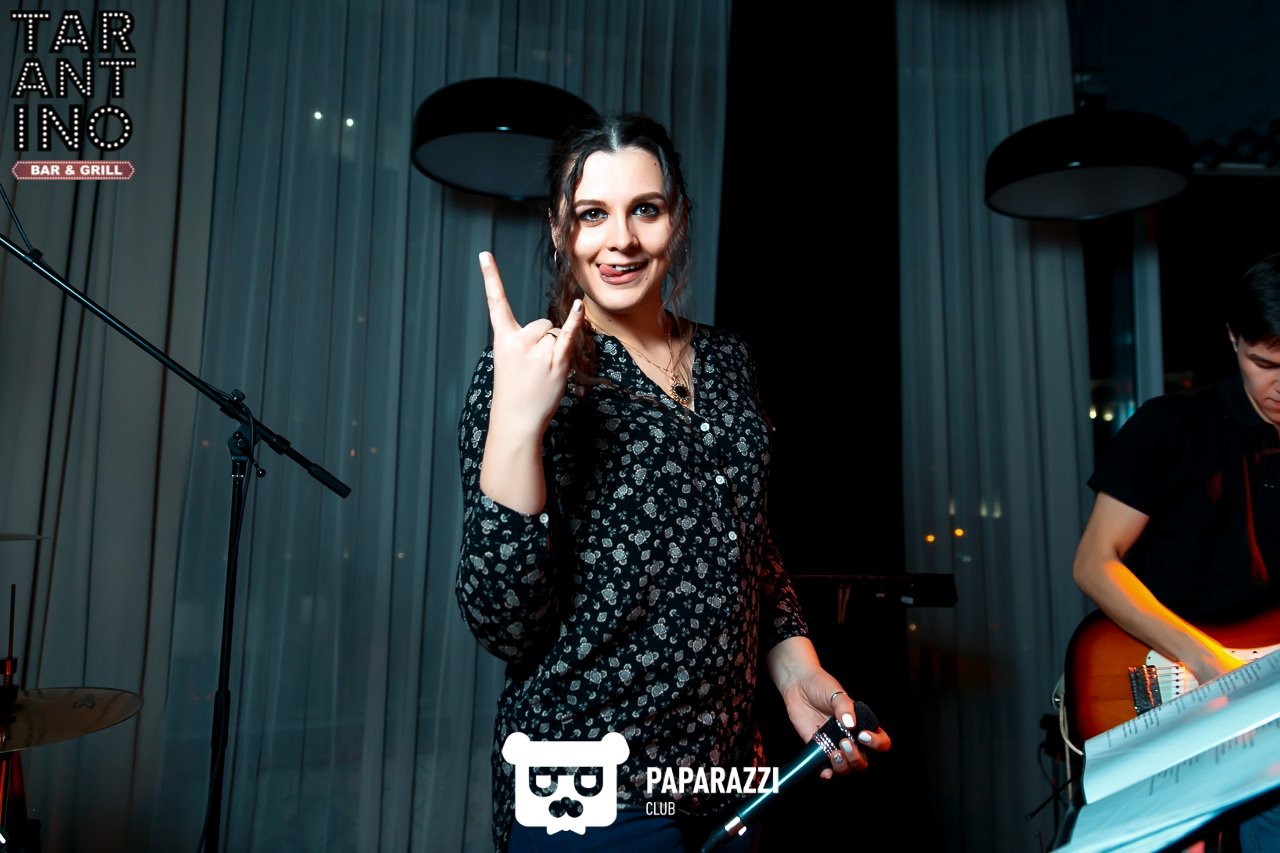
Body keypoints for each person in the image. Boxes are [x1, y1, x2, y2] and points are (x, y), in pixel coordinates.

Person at [454, 113, 890, 852]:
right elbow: (503, 623)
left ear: (677, 218)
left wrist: (797, 670)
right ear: (560, 230)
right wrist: (518, 424)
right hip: (588, 784)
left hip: (724, 777)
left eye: (645, 209)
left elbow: (748, 538)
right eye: (592, 214)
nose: (621, 239)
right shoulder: (525, 372)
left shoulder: (727, 360)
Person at [1072, 252, 1280, 852]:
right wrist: (1207, 659)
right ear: (1233, 338)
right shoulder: (1170, 426)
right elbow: (1094, 562)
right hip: (1169, 680)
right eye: (1265, 364)